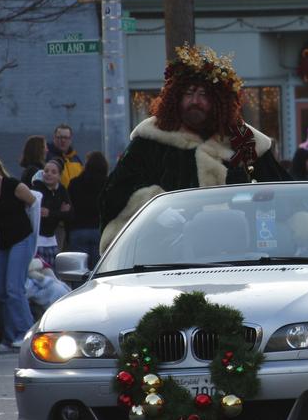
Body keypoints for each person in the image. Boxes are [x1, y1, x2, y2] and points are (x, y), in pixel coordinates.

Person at [99, 44, 288, 253]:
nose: (195, 101)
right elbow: (115, 192)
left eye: (204, 95)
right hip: (165, 256)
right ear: (176, 98)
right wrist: (153, 209)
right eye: (188, 94)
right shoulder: (150, 140)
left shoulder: (245, 140)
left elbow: (283, 194)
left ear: (219, 101)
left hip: (243, 253)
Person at [0, 155, 37, 350]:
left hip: (21, 238)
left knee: (14, 288)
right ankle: (10, 336)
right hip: (3, 243)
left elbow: (33, 202)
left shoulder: (12, 185)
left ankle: (27, 332)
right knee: (3, 292)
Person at [66, 150, 109, 268]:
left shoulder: (74, 183)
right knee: (99, 270)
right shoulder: (108, 184)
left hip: (78, 230)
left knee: (79, 271)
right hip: (99, 231)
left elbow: (69, 207)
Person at [31, 158, 71, 268]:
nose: (48, 174)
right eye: (46, 171)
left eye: (53, 172)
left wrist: (51, 213)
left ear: (59, 176)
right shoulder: (37, 189)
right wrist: (59, 212)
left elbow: (69, 214)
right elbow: (40, 214)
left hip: (52, 240)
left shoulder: (62, 190)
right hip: (38, 240)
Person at [47, 124, 83, 188]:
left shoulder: (76, 159)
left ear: (70, 140)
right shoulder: (48, 158)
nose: (63, 140)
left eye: (66, 138)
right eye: (60, 137)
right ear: (54, 138)